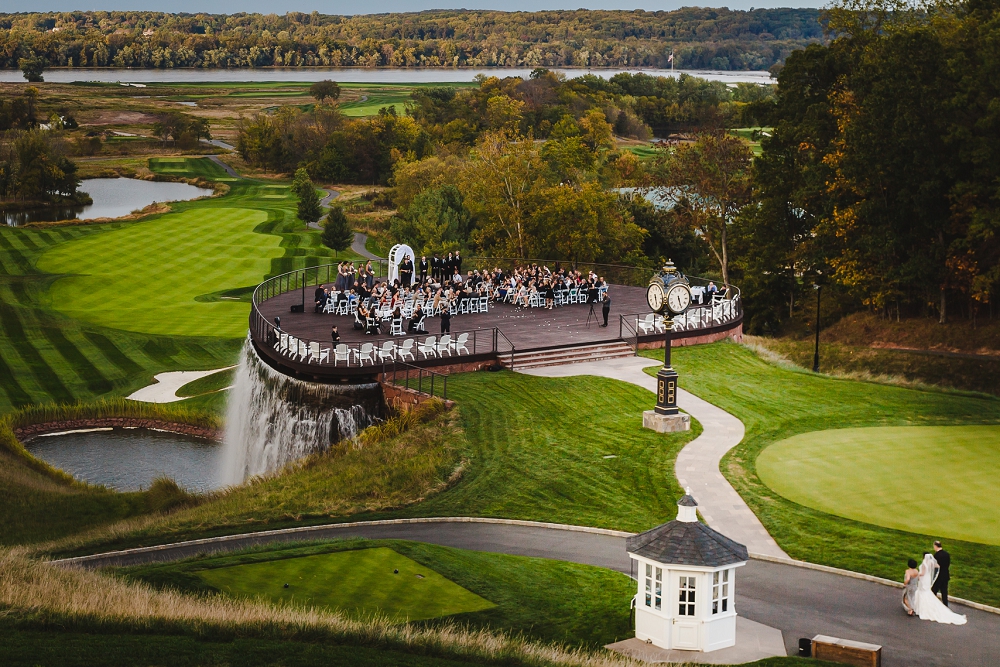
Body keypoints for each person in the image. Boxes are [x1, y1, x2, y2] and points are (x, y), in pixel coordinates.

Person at [911, 553, 966, 624]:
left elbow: (923, 573)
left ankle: (921, 608)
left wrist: (917, 574)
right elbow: (938, 566)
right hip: (928, 579)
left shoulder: (924, 564)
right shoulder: (931, 563)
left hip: (923, 579)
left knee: (922, 592)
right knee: (926, 592)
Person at [932, 541, 950, 606]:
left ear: (936, 546)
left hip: (938, 576)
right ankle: (945, 605)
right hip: (945, 575)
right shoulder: (947, 554)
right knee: (944, 592)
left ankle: (933, 605)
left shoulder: (936, 555)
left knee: (934, 591)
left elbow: (935, 567)